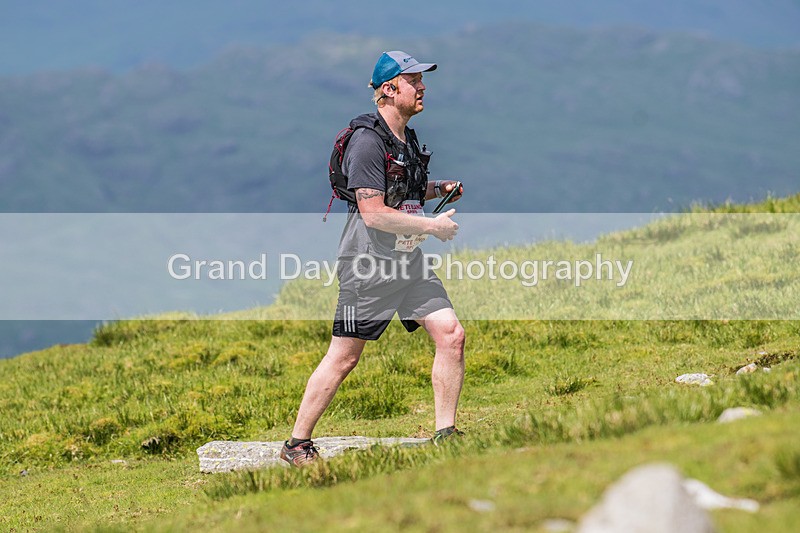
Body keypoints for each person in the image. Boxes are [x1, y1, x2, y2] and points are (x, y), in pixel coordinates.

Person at [281, 51, 466, 467]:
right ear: (388, 89)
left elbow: (403, 191)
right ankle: (296, 444)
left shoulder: (405, 138)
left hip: (408, 261)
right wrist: (433, 228)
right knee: (345, 356)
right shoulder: (367, 143)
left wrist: (439, 188)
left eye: (421, 80)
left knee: (451, 335)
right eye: (413, 80)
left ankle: (446, 434)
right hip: (368, 264)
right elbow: (374, 213)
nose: (422, 87)